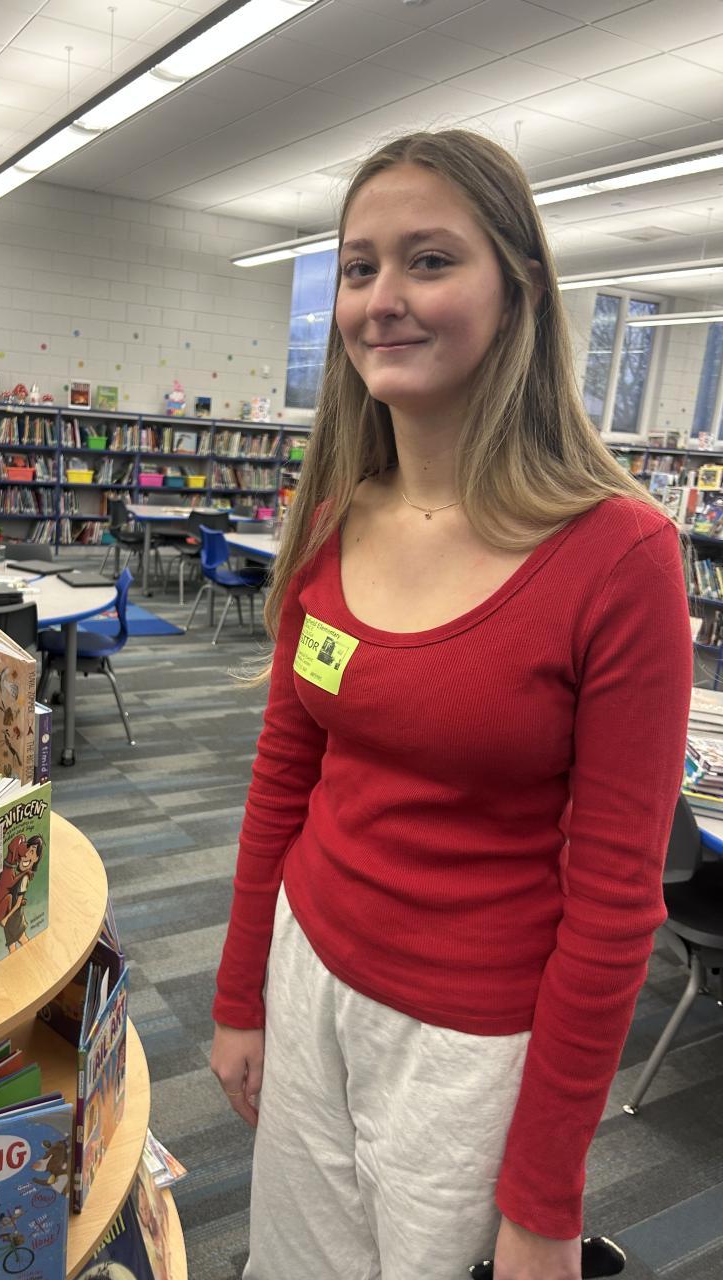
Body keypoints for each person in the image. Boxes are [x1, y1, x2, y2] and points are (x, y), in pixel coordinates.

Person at [209, 129, 692, 1280]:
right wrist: (239, 996)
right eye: (360, 267)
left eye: (429, 260)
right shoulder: (334, 513)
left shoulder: (619, 554)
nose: (383, 298)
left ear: (518, 288)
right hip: (307, 967)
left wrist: (544, 1195)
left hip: (470, 1042)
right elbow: (285, 774)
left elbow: (615, 902)